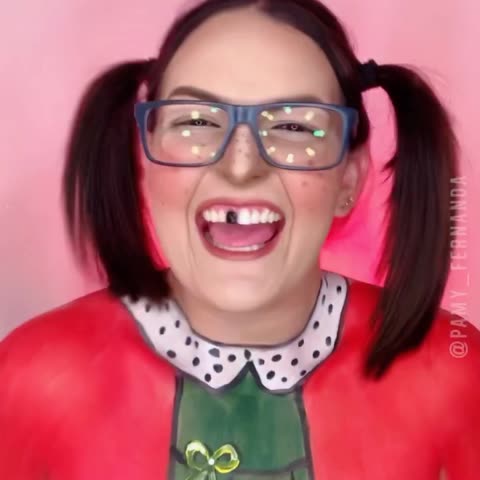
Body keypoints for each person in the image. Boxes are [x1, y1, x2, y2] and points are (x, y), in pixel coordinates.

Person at [0, 0, 478, 478]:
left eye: (293, 126)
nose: (241, 166)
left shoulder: (454, 372)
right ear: (144, 164)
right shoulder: (34, 378)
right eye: (196, 122)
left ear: (349, 180)